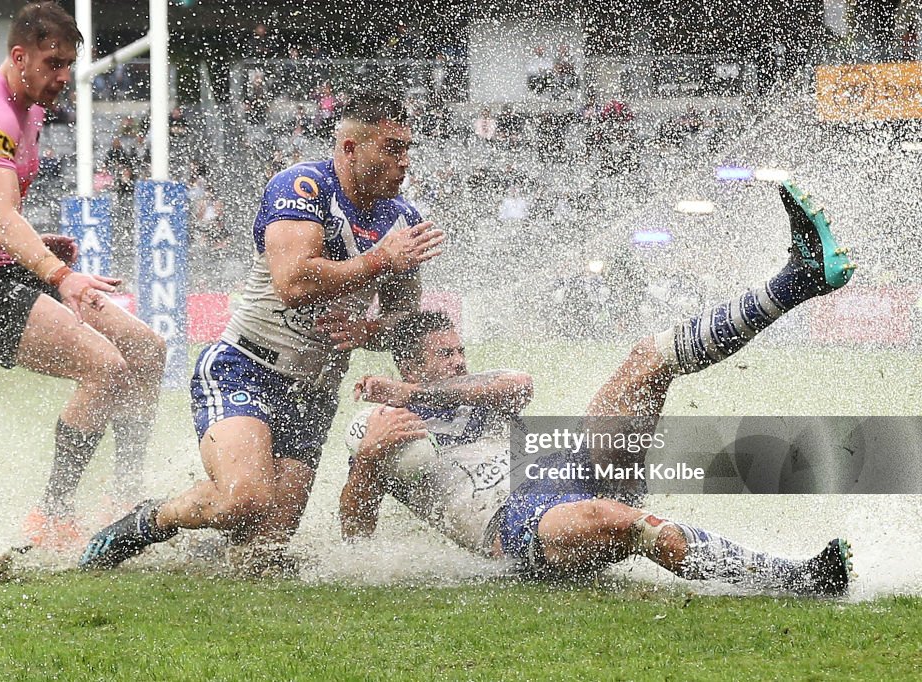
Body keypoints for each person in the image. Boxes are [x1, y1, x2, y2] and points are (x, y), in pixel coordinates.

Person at [339, 181, 856, 595]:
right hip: (517, 521)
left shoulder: (470, 391)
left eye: (459, 351)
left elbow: (518, 385)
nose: (458, 362)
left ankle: (798, 280)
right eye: (443, 355)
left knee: (647, 359)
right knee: (617, 521)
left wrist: (415, 395)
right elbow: (354, 537)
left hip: (562, 464)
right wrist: (366, 460)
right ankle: (800, 579)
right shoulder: (378, 426)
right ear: (408, 363)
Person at [80, 91, 446, 570]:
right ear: (352, 148)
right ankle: (149, 520)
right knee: (243, 499)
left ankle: (204, 545)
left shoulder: (403, 219)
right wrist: (380, 259)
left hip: (314, 390)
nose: (403, 163)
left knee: (262, 550)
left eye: (407, 150)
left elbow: (403, 324)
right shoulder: (303, 186)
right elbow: (293, 282)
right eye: (392, 149)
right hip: (245, 367)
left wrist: (369, 329)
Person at [0, 2, 166, 551]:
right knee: (105, 368)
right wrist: (59, 273)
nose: (63, 77)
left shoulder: (27, 107)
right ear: (18, 56)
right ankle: (51, 518)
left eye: (69, 64)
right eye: (53, 63)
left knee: (148, 350)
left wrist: (40, 248)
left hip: (2, 268)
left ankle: (123, 497)